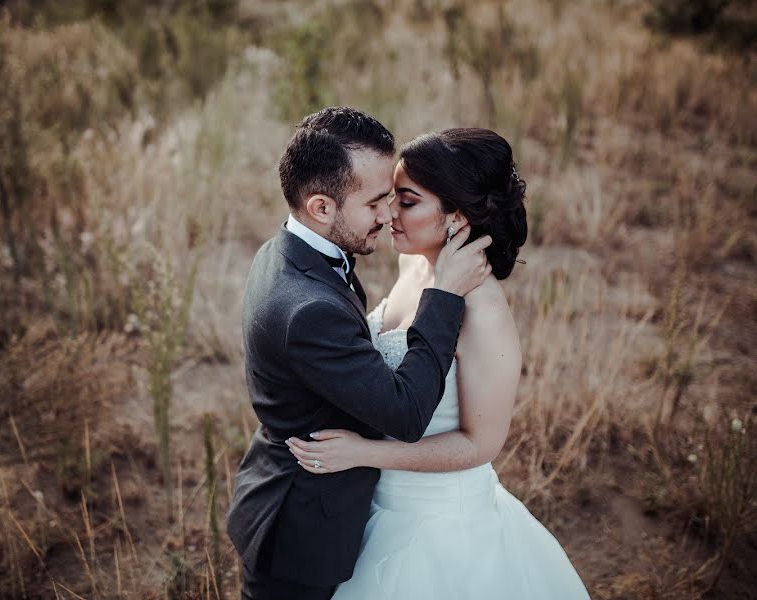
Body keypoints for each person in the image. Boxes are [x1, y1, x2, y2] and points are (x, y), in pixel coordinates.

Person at [286, 128, 590, 599]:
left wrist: (366, 453)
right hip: (370, 503)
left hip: (439, 524)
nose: (387, 213)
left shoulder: (484, 312)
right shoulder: (414, 266)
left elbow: (481, 443)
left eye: (406, 202)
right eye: (388, 198)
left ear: (458, 217)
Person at [226, 108, 493, 600]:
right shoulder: (309, 309)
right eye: (375, 203)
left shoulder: (288, 250)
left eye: (394, 199)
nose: (389, 214)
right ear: (322, 207)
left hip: (318, 500)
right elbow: (407, 413)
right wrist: (446, 296)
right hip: (301, 531)